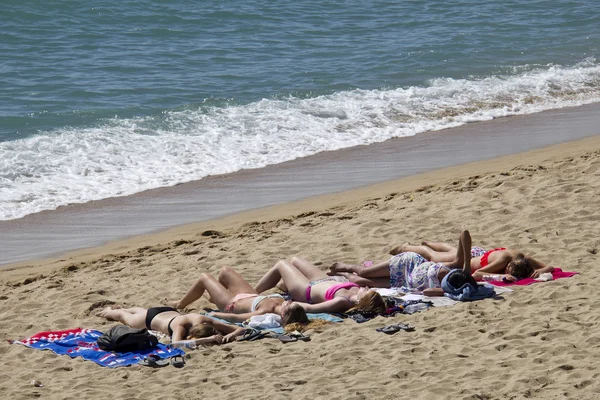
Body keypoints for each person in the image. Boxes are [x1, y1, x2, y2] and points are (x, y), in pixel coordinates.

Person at [329, 230, 477, 296]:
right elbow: (464, 233)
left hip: (403, 281)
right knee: (364, 272)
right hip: (407, 263)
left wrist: (447, 292)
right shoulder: (454, 266)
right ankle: (346, 266)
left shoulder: (443, 289)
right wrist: (467, 266)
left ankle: (343, 273)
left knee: (360, 280)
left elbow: (427, 292)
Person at [168, 266, 309, 326]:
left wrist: (214, 314)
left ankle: (180, 304)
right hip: (249, 295)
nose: (289, 301)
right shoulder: (280, 301)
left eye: (289, 304)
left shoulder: (264, 312)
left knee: (204, 278)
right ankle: (213, 296)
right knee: (225, 271)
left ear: (284, 313)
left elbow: (236, 318)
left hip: (231, 304)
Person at [254, 257, 387, 314]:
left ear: (362, 300)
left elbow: (313, 309)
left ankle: (252, 294)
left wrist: (290, 305)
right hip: (321, 279)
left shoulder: (341, 301)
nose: (367, 289)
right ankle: (284, 285)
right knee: (295, 260)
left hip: (306, 290)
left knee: (281, 264)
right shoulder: (357, 291)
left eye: (366, 292)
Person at [390, 236, 554, 281]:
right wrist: (501, 275)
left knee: (451, 249)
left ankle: (430, 242)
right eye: (507, 270)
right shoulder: (503, 261)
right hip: (471, 260)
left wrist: (539, 271)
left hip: (479, 254)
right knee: (432, 256)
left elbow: (550, 267)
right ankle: (405, 247)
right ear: (508, 265)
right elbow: (478, 273)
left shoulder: (521, 258)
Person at [96, 306, 246, 345]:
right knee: (124, 316)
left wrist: (231, 334)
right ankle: (109, 311)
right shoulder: (182, 325)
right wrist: (205, 340)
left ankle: (125, 307)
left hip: (166, 311)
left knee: (139, 311)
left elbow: (241, 328)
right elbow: (176, 344)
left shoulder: (206, 321)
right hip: (150, 319)